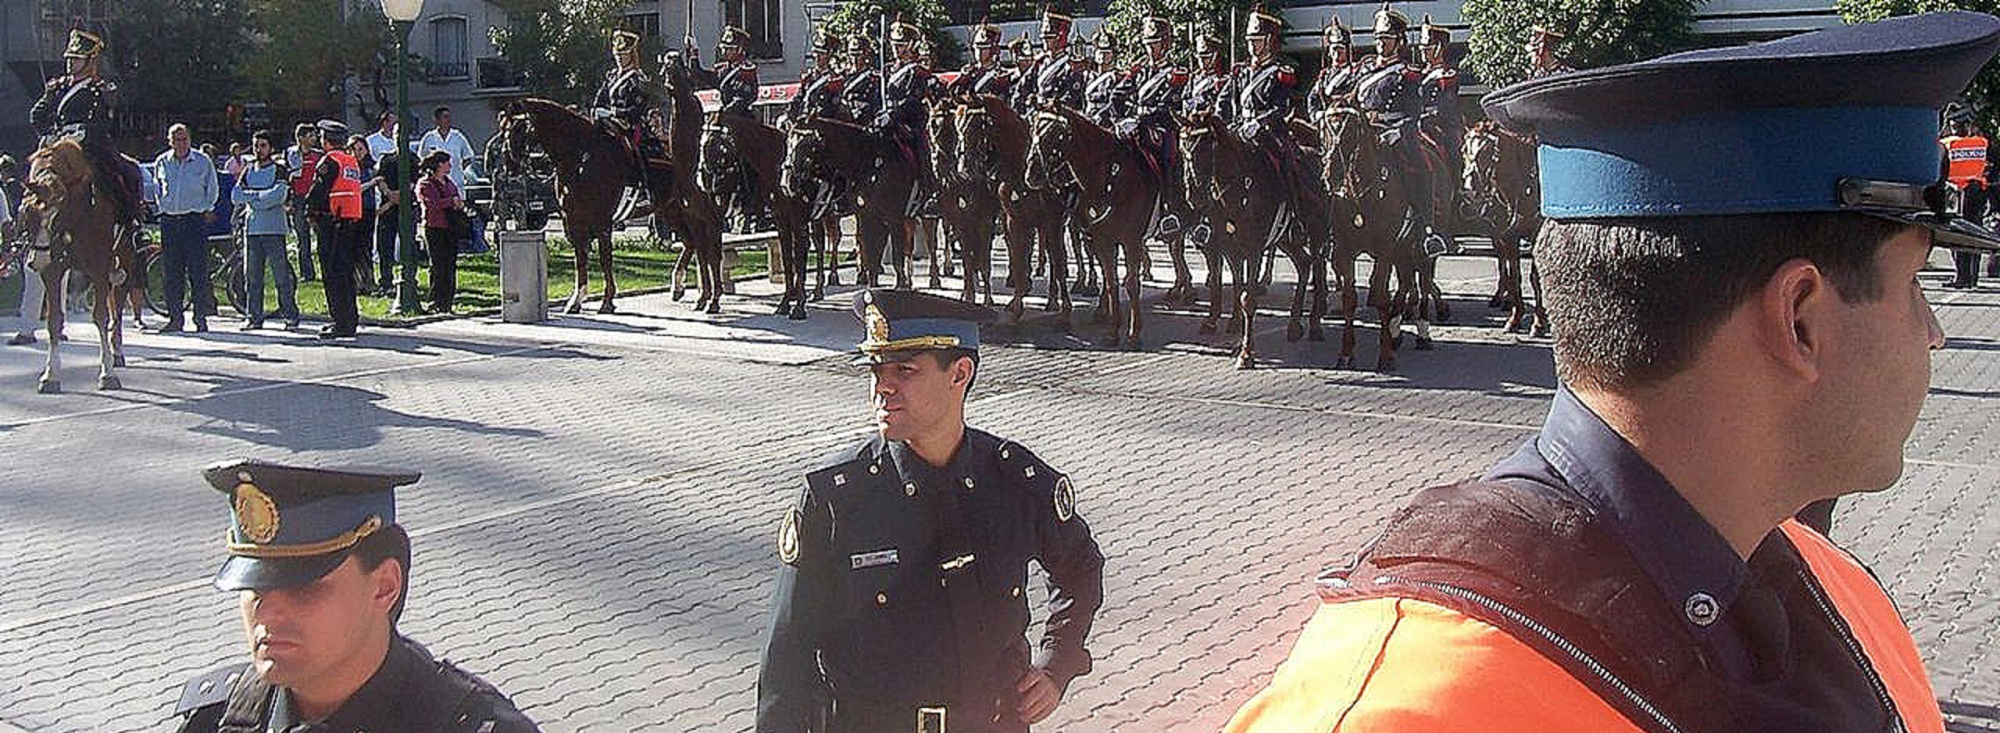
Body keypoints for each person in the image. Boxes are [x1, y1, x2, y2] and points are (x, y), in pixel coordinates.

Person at [1222, 12, 2000, 733]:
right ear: (1799, 319)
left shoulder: (1835, 587)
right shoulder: (1400, 708)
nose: (1934, 333)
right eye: (1913, 287)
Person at [756, 289, 1105, 733]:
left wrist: (1058, 663)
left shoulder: (1015, 484)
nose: (884, 386)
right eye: (876, 370)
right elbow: (787, 655)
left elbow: (1080, 567)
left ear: (960, 373)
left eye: (905, 370)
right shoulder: (838, 499)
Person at [171, 459, 541, 732]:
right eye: (255, 588)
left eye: (303, 588)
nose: (268, 612)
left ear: (384, 586)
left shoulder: (464, 725)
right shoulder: (216, 720)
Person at [29, 26, 146, 232]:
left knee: (127, 171)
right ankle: (25, 223)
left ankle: (134, 224)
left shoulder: (99, 89)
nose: (70, 63)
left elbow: (103, 121)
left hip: (89, 145)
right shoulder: (58, 87)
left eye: (76, 59)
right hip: (56, 147)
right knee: (34, 175)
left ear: (90, 61)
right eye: (69, 59)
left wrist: (81, 135)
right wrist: (48, 102)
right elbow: (36, 117)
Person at [1353, 5, 1446, 255]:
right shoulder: (1364, 70)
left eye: (1387, 38)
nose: (1381, 43)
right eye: (1378, 38)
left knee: (1424, 167)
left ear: (1399, 41)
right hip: (1366, 132)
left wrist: (1397, 130)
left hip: (1395, 133)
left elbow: (1414, 112)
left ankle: (1428, 229)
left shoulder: (1408, 74)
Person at [1232, 9, 1316, 233]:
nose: (1252, 45)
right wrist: (1230, 124)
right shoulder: (1240, 72)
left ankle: (1296, 215)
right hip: (1241, 129)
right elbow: (1228, 103)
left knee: (1288, 162)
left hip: (1270, 132)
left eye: (1257, 40)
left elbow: (1281, 108)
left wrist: (1258, 123)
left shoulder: (1279, 72)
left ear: (1269, 41)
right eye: (1250, 40)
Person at [687, 25, 765, 233]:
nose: (726, 51)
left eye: (730, 48)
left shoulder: (747, 70)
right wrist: (694, 53)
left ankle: (752, 205)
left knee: (748, 159)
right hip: (725, 120)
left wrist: (728, 112)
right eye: (725, 48)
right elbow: (699, 76)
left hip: (743, 120)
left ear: (739, 49)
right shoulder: (723, 70)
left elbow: (747, 95)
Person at [1115, 15, 1186, 236]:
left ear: (1165, 44)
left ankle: (1169, 210)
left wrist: (1140, 119)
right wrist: (1122, 118)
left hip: (1161, 129)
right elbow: (1116, 96)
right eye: (1147, 43)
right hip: (1135, 128)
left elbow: (1169, 107)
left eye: (1154, 42)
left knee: (1169, 160)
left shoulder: (1176, 74)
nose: (1150, 48)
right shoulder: (1139, 71)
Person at [152, 122, 220, 334]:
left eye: (184, 139)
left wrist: (206, 208)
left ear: (190, 139)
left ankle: (201, 318)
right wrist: (163, 206)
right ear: (169, 141)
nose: (181, 144)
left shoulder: (202, 161)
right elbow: (157, 188)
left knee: (198, 271)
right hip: (170, 221)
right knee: (172, 273)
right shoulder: (162, 162)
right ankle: (175, 319)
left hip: (194, 220)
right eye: (176, 140)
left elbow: (212, 188)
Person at [230, 130, 299, 331]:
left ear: (271, 147)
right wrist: (260, 197)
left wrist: (252, 198)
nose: (258, 149)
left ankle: (290, 315)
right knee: (251, 277)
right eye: (256, 145)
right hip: (252, 230)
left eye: (262, 145)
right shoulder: (248, 169)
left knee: (281, 276)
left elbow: (278, 196)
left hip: (274, 229)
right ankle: (253, 317)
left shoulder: (279, 170)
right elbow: (235, 195)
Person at [305, 120, 364, 340]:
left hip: (331, 223)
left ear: (326, 140)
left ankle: (340, 322)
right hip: (350, 223)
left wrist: (309, 212)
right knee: (346, 273)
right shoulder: (350, 161)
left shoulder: (329, 161)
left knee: (332, 274)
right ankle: (350, 319)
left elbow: (318, 192)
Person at [590, 27, 666, 188]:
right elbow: (600, 99)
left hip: (631, 126)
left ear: (631, 55)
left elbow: (636, 110)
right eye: (617, 55)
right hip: (609, 123)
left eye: (623, 55)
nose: (619, 58)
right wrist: (597, 110)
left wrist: (613, 112)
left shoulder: (637, 79)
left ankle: (644, 187)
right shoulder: (611, 77)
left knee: (633, 151)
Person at [1942, 106, 1990, 288]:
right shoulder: (1981, 143)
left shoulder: (1948, 143)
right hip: (1977, 191)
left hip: (1956, 193)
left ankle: (1961, 278)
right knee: (1975, 231)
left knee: (1957, 234)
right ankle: (1972, 277)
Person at [1418, 14, 1464, 188]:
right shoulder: (1418, 75)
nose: (1423, 50)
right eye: (1422, 47)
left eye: (1427, 47)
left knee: (1453, 150)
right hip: (1418, 125)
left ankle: (1459, 192)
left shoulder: (1447, 75)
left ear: (1438, 47)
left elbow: (1446, 105)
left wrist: (1426, 114)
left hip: (1442, 126)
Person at [418, 151, 463, 314]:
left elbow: (457, 196)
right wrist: (451, 201)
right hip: (435, 227)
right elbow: (432, 204)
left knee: (450, 265)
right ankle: (435, 300)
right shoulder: (426, 184)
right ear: (439, 165)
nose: (450, 166)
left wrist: (458, 204)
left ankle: (448, 302)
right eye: (447, 163)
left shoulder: (449, 182)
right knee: (438, 265)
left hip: (451, 227)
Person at [1014, 8, 1085, 114]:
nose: (1044, 40)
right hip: (1034, 115)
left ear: (1060, 38)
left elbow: (1070, 100)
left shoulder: (1071, 67)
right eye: (1044, 37)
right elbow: (1021, 89)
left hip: (1056, 120)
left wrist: (1047, 108)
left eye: (1049, 37)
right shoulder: (1039, 63)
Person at [285, 123, 321, 281]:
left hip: (315, 199)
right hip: (298, 199)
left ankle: (325, 268)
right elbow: (286, 179)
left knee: (321, 235)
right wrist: (288, 201)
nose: (314, 139)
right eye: (310, 136)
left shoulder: (318, 156)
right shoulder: (291, 155)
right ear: (300, 138)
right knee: (302, 237)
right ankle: (307, 273)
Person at [345, 137, 380, 295]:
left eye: (361, 149)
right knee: (355, 247)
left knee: (367, 247)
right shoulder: (350, 168)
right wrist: (372, 183)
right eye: (354, 149)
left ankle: (369, 281)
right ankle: (357, 282)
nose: (358, 153)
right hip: (354, 210)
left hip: (369, 209)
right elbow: (355, 188)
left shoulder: (371, 167)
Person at [1307, 18, 1359, 119]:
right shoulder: (1324, 76)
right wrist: (1316, 114)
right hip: (1327, 118)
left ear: (1347, 51)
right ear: (1329, 53)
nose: (1337, 52)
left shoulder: (1355, 72)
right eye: (1334, 49)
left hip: (1349, 119)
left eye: (1341, 48)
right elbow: (1312, 98)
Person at [951, 20, 1016, 99]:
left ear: (993, 49)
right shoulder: (968, 72)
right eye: (977, 48)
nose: (979, 52)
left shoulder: (1001, 75)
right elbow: (953, 93)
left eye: (984, 48)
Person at [1081, 31, 1132, 129]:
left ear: (1113, 55)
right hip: (1088, 119)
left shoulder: (1118, 77)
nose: (1103, 56)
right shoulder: (1087, 76)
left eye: (1107, 53)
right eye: (1100, 52)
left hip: (1108, 123)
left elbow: (1118, 104)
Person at [418, 106, 477, 189]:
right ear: (437, 120)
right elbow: (422, 159)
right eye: (445, 117)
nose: (448, 120)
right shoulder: (429, 138)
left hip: (456, 182)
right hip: (436, 185)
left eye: (449, 117)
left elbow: (468, 157)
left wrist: (458, 169)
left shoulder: (458, 136)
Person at [1183, 33, 1233, 120]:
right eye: (1200, 57)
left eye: (1206, 57)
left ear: (1215, 56)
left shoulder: (1223, 80)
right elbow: (1185, 98)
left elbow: (1222, 108)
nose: (1202, 60)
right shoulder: (1194, 78)